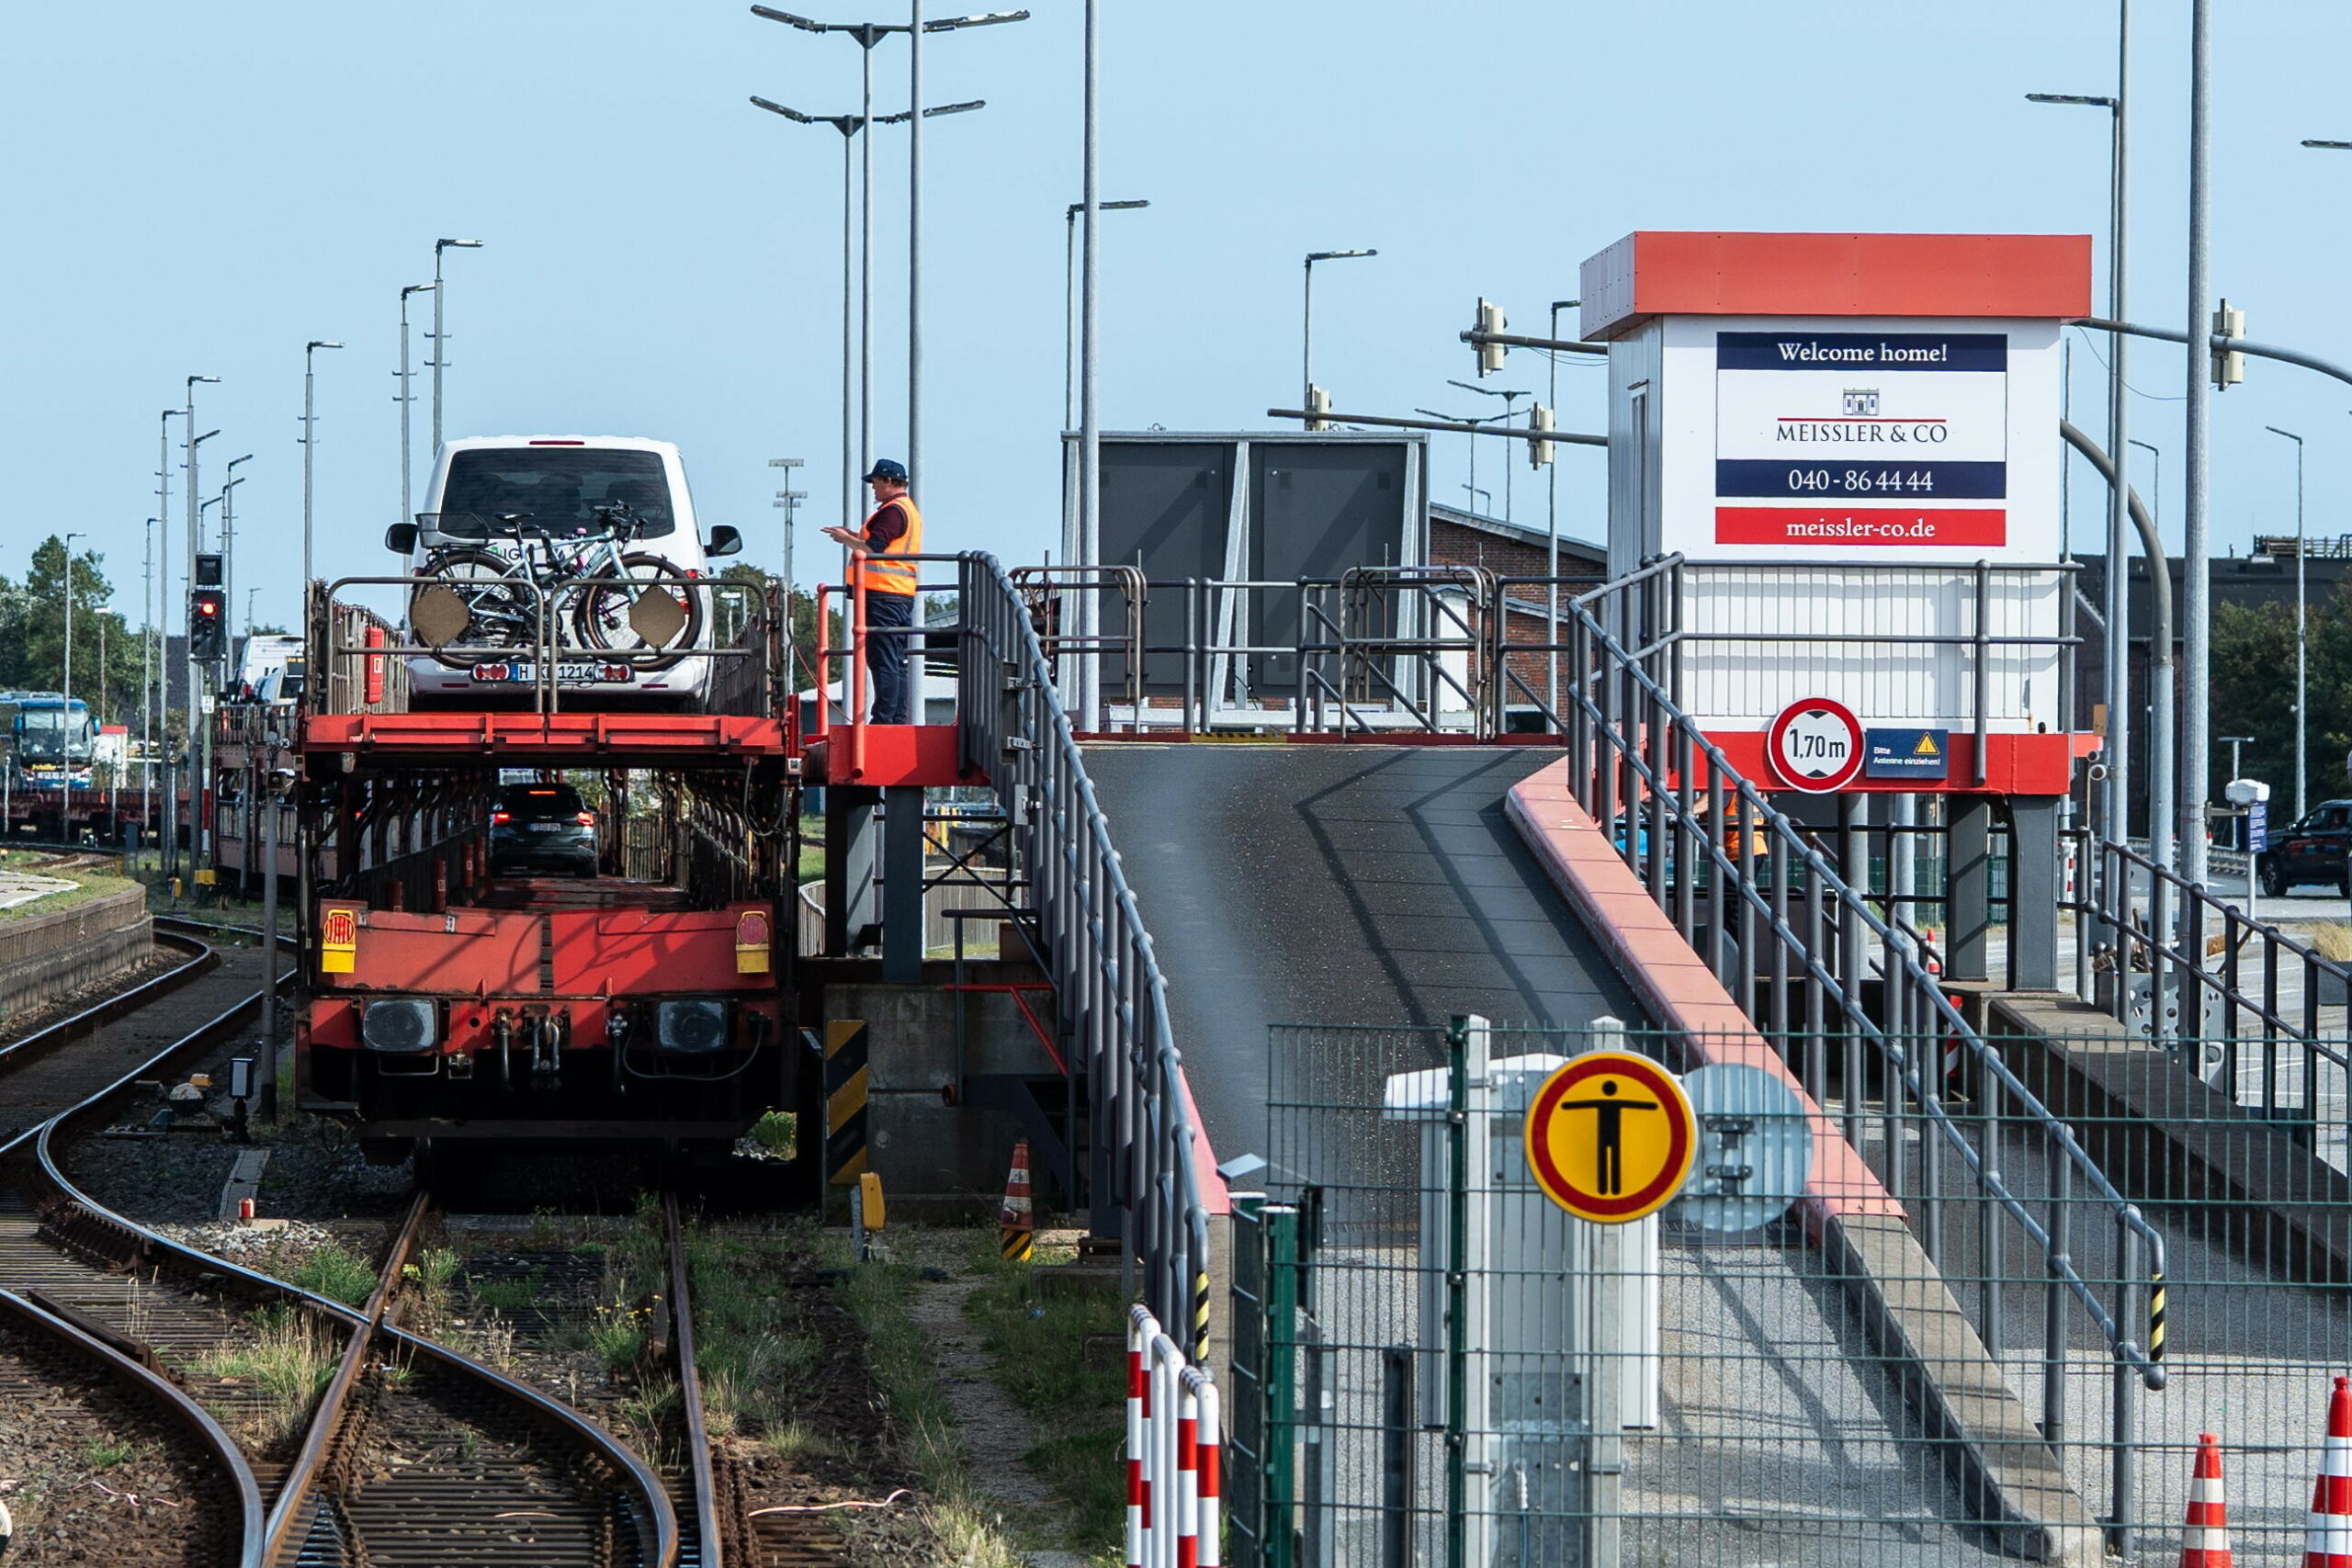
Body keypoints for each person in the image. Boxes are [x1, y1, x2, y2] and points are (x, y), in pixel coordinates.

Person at [822, 458, 924, 725]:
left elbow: (873, 548)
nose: (873, 489)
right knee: (893, 661)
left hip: (884, 596)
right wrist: (852, 537)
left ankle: (884, 720)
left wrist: (846, 539)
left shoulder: (893, 511)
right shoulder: (905, 509)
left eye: (876, 482)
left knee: (884, 662)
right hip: (897, 595)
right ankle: (895, 718)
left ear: (889, 481)